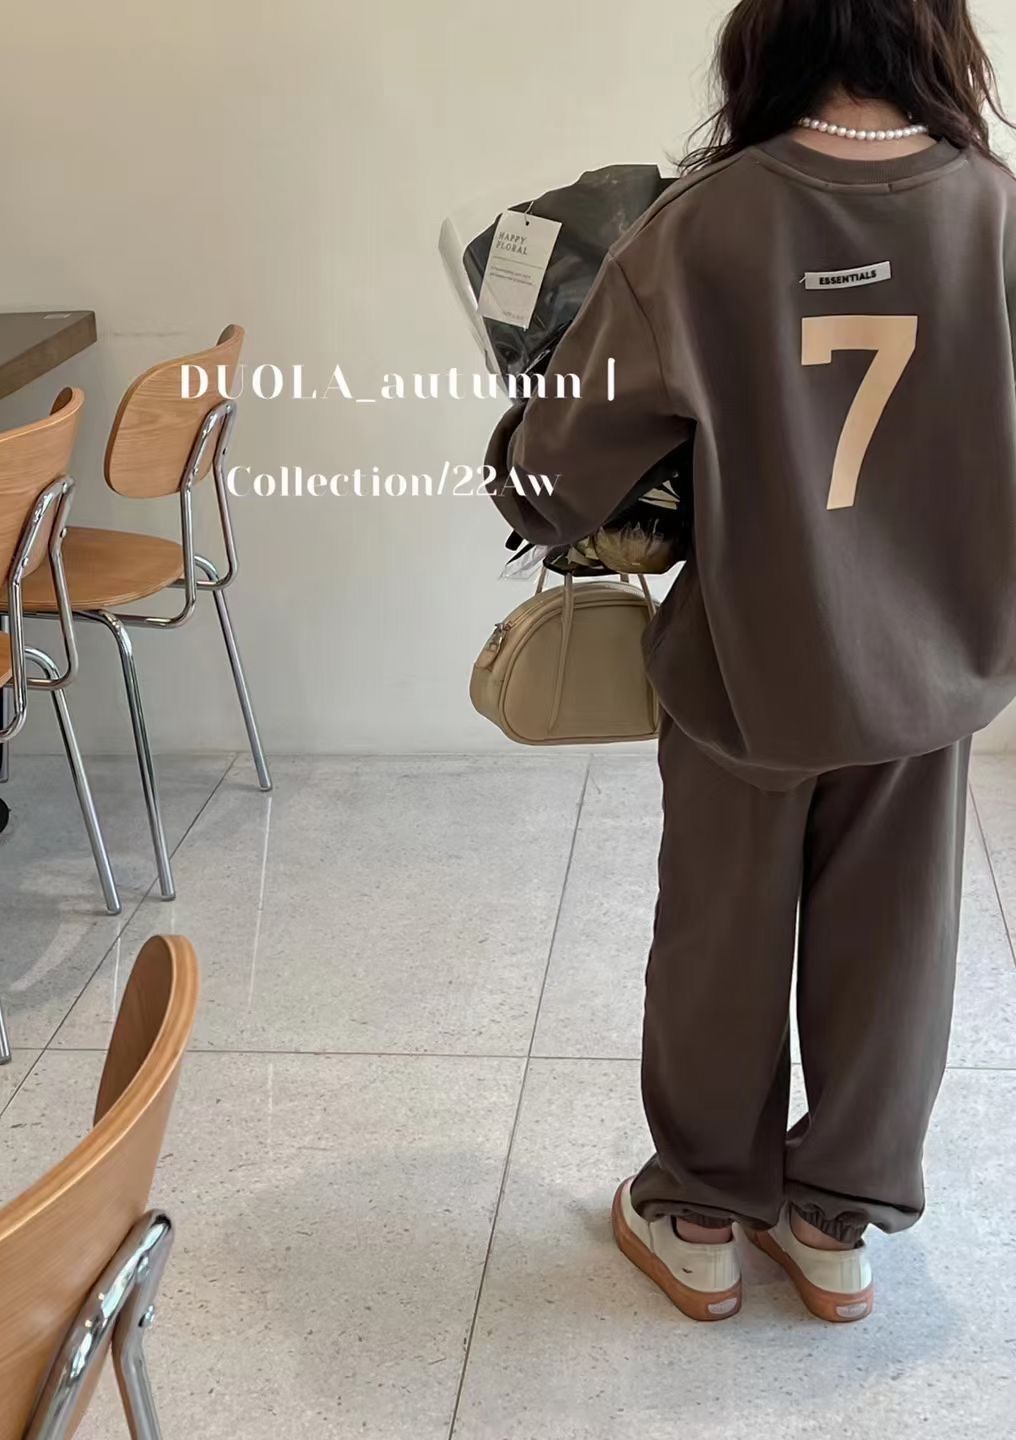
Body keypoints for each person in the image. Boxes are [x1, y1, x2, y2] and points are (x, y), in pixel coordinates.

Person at [484, 0, 1016, 1324]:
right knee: (896, 941)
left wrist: (526, 453)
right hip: (933, 670)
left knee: (719, 935)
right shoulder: (996, 212)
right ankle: (837, 1226)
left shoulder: (704, 224)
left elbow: (554, 472)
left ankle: (703, 1216)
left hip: (747, 661)